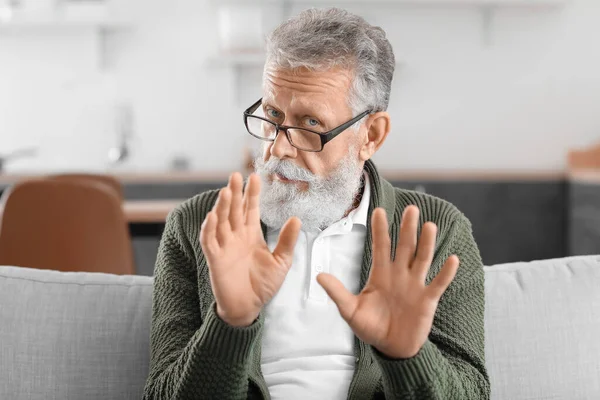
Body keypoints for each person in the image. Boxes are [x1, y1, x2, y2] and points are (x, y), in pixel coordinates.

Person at [143, 7, 489, 400]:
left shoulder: (435, 231)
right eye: (272, 115)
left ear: (371, 135)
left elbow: (473, 394)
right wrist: (230, 323)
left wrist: (407, 355)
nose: (278, 147)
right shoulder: (199, 226)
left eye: (310, 126)